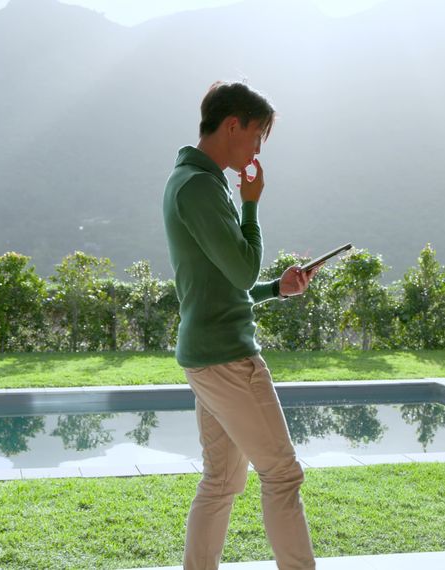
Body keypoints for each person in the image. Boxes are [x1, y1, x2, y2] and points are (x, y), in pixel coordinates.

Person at [162, 80, 318, 570]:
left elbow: (225, 283)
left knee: (222, 482)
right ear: (233, 125)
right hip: (228, 358)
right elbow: (243, 268)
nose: (257, 149)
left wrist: (278, 288)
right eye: (256, 137)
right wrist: (252, 202)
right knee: (282, 475)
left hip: (205, 356)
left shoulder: (192, 181)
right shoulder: (200, 187)